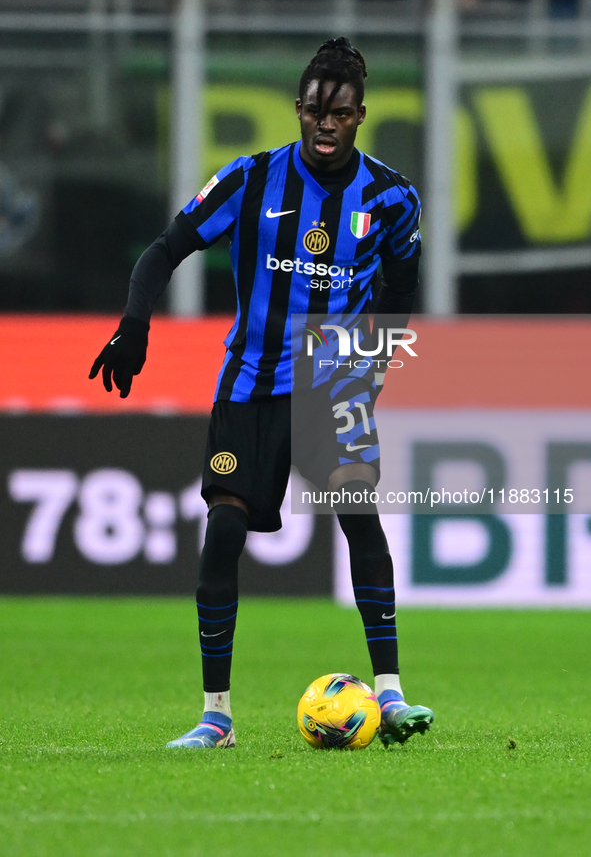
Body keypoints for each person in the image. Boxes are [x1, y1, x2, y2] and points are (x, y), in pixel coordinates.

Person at [89, 37, 434, 749]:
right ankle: (216, 715)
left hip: (328, 387)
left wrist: (370, 365)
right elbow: (164, 249)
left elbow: (401, 290)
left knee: (357, 513)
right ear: (300, 110)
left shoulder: (391, 198)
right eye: (313, 110)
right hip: (247, 389)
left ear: (360, 114)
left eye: (338, 112)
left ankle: (393, 695)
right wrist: (132, 326)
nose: (325, 124)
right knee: (221, 532)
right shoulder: (249, 180)